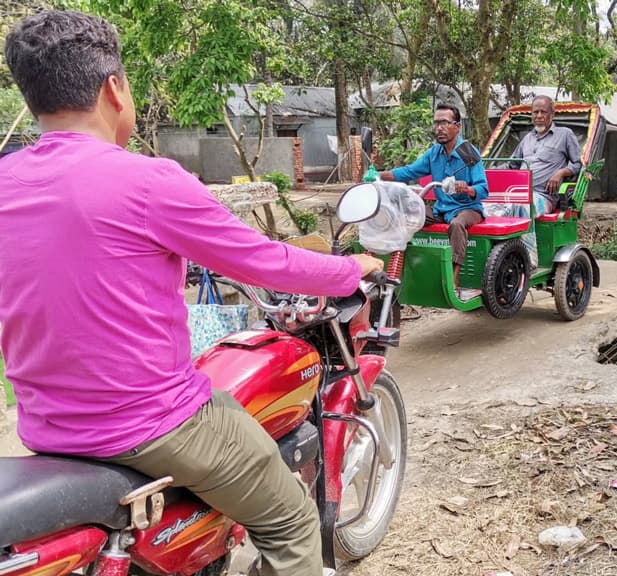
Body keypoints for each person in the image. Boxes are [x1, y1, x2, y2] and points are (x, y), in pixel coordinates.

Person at [0, 11, 383, 576]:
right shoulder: (149, 181)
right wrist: (349, 271)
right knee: (292, 520)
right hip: (152, 425)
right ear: (114, 88)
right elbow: (265, 260)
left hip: (45, 425)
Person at [380, 103, 488, 300]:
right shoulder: (434, 153)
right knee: (407, 215)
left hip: (468, 208)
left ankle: (454, 280)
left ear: (457, 126)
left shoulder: (469, 153)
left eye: (445, 123)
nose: (439, 128)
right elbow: (410, 171)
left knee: (456, 225)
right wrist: (379, 176)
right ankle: (404, 271)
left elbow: (483, 189)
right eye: (436, 123)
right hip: (441, 209)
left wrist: (468, 189)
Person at [510, 95, 582, 215]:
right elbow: (511, 165)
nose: (539, 116)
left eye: (543, 112)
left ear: (552, 114)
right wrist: (485, 169)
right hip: (519, 193)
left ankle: (527, 235)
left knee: (522, 207)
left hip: (543, 197)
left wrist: (561, 172)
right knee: (487, 206)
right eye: (535, 112)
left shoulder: (564, 134)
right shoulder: (527, 138)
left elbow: (579, 164)